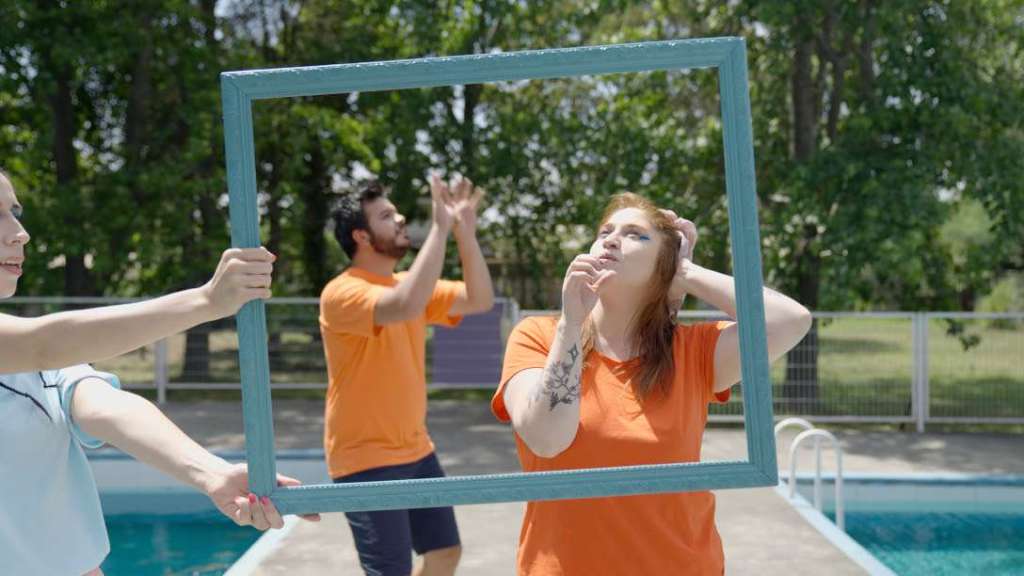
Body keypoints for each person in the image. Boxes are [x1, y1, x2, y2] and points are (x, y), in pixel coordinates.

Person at [0, 169, 318, 576]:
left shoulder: (34, 365)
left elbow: (105, 407)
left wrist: (214, 473)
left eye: (15, 212)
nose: (21, 233)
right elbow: (44, 344)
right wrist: (207, 301)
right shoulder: (35, 350)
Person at [492, 192, 812, 575]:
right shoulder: (539, 336)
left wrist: (687, 273)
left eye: (635, 234)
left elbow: (790, 321)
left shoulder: (693, 351)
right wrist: (571, 324)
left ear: (665, 265)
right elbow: (547, 440)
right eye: (605, 231)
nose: (612, 239)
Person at [319, 175, 494, 576]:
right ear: (361, 236)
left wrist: (464, 233)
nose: (399, 219)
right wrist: (439, 228)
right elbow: (404, 305)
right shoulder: (341, 292)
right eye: (386, 216)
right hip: (365, 460)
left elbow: (480, 299)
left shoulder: (407, 284)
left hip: (416, 450)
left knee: (445, 552)